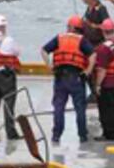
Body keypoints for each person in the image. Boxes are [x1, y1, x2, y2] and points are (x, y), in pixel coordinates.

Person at [41, 15, 96, 144]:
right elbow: (93, 55)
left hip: (60, 77)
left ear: (70, 27)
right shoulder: (82, 40)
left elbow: (43, 50)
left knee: (59, 107)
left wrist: (49, 66)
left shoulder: (59, 38)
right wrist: (88, 71)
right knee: (80, 108)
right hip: (77, 78)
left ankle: (56, 135)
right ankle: (82, 135)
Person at [93, 19, 114, 141]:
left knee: (106, 110)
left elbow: (102, 69)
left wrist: (97, 85)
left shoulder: (103, 48)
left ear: (103, 31)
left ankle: (108, 134)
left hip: (108, 84)